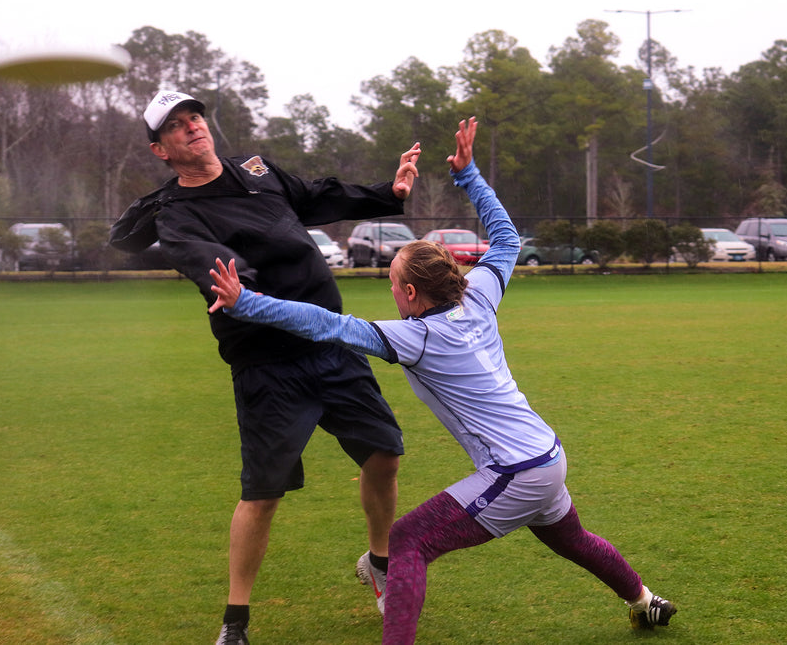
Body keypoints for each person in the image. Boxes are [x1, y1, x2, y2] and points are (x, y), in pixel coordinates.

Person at [208, 117, 677, 643]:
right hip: (546, 453)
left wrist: (247, 302)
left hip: (516, 469)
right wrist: (469, 175)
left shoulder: (418, 338)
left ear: (410, 293)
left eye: (391, 283)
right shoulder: (479, 294)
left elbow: (328, 325)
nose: (389, 292)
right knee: (571, 539)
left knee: (407, 541)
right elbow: (506, 237)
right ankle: (644, 601)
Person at [109, 90, 421, 645]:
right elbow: (213, 268)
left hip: (331, 345)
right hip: (267, 366)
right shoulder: (176, 214)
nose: (193, 128)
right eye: (177, 127)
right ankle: (235, 623)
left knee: (385, 455)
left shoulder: (257, 170)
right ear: (161, 150)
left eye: (195, 118)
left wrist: (385, 193)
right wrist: (242, 288)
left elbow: (316, 194)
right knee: (263, 492)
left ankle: (379, 561)